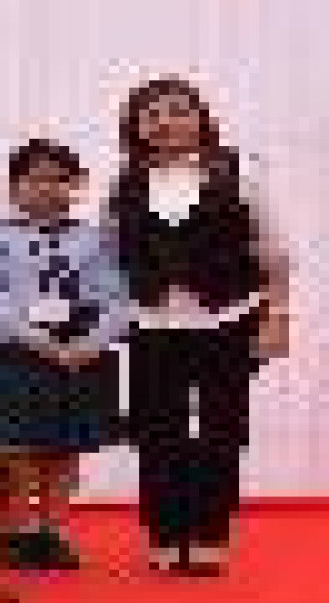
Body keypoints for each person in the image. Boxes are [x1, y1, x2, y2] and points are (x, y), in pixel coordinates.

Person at [107, 77, 291, 575]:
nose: (165, 122)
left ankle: (210, 535)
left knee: (221, 429)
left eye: (178, 111)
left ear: (201, 120)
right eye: (152, 114)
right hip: (151, 324)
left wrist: (277, 318)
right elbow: (112, 258)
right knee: (155, 430)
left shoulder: (241, 174)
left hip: (228, 317)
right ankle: (166, 534)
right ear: (136, 126)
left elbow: (273, 253)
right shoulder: (124, 184)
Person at [0, 139, 130, 570]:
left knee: (67, 446)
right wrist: (41, 343)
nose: (47, 188)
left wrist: (90, 344)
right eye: (35, 179)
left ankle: (53, 530)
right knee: (16, 446)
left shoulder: (98, 240)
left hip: (83, 350)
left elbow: (118, 297)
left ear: (75, 185)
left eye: (59, 179)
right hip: (13, 350)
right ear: (14, 186)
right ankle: (17, 530)